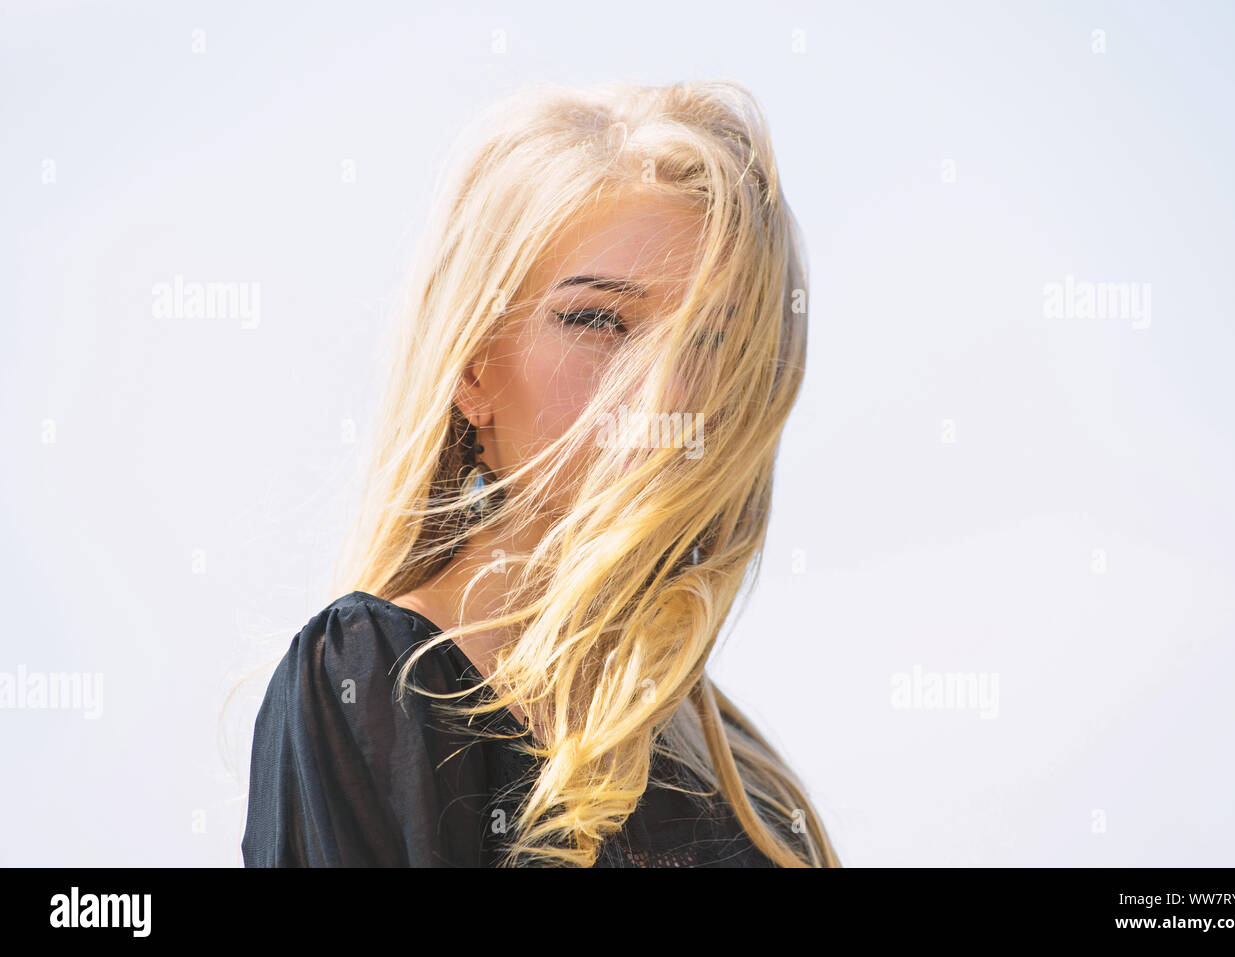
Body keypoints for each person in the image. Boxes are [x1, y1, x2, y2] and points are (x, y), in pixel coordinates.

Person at [242, 79, 839, 868]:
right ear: (472, 366)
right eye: (598, 320)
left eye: (711, 338)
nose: (668, 392)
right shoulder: (374, 679)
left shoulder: (746, 775)